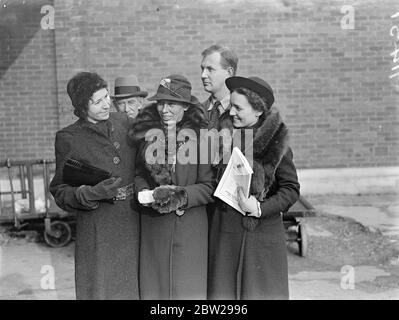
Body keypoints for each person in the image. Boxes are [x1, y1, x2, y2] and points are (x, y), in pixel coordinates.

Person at [208, 76, 300, 300]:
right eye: (231, 107)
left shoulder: (275, 145)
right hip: (224, 234)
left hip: (260, 237)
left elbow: (291, 189)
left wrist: (258, 207)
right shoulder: (220, 138)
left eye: (238, 108)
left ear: (258, 110)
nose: (231, 113)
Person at [49, 72, 139, 300]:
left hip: (134, 221)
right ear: (81, 107)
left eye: (107, 97)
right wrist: (89, 194)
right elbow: (60, 191)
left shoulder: (124, 122)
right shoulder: (69, 137)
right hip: (99, 229)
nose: (106, 104)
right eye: (97, 102)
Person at [129, 74, 214, 300]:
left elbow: (209, 186)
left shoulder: (202, 139)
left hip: (189, 232)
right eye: (161, 103)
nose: (165, 109)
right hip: (155, 229)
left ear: (185, 106)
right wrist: (144, 193)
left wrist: (179, 196)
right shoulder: (148, 137)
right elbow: (139, 174)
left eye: (172, 103)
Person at [200, 44, 238, 129]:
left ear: (229, 72)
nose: (203, 75)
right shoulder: (197, 113)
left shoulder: (243, 113)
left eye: (210, 69)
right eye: (202, 69)